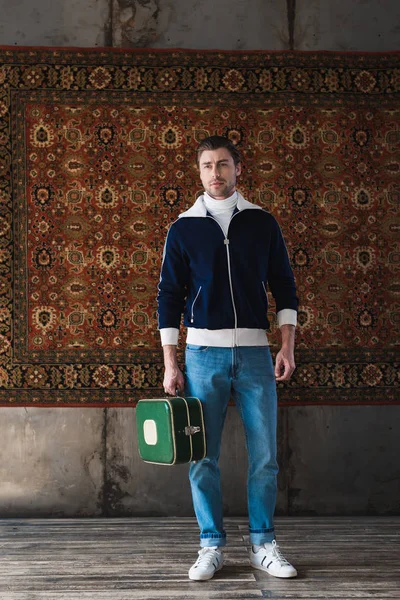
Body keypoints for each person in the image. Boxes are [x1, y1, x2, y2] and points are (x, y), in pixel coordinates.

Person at [157, 135, 298, 581]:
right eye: (206, 166)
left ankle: (263, 543)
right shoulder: (183, 227)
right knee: (203, 456)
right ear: (198, 173)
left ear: (238, 168)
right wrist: (171, 362)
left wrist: (287, 346)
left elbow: (285, 287)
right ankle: (210, 545)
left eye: (222, 164)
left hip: (257, 353)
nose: (214, 173)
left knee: (265, 455)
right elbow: (168, 297)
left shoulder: (262, 223)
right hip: (201, 355)